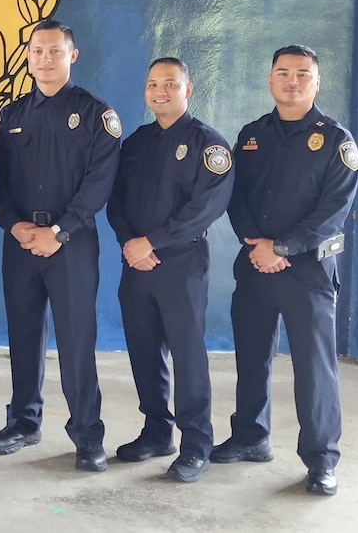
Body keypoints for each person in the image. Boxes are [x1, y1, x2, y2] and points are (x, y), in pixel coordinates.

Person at [212, 45, 358, 496]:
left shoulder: (337, 141)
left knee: (315, 370)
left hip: (308, 272)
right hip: (256, 266)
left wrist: (282, 247)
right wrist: (258, 245)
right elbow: (235, 196)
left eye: (301, 74)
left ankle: (321, 459)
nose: (291, 80)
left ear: (316, 83)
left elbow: (333, 211)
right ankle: (250, 437)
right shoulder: (252, 135)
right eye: (283, 72)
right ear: (271, 79)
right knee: (251, 359)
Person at [0, 19, 120, 472]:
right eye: (37, 51)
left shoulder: (97, 115)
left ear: (71, 55)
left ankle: (86, 435)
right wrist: (14, 225)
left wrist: (58, 232)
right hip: (21, 241)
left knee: (76, 341)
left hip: (72, 244)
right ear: (28, 56)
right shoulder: (11, 115)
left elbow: (98, 184)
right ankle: (23, 423)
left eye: (54, 51)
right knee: (23, 336)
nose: (45, 58)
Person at [106, 58, 234, 483]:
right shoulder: (137, 142)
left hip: (180, 264)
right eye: (152, 84)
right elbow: (116, 200)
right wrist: (130, 242)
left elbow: (204, 210)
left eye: (170, 83)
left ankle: (196, 444)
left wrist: (152, 242)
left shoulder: (208, 146)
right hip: (136, 264)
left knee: (187, 356)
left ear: (187, 89)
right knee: (144, 351)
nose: (160, 91)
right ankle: (157, 431)